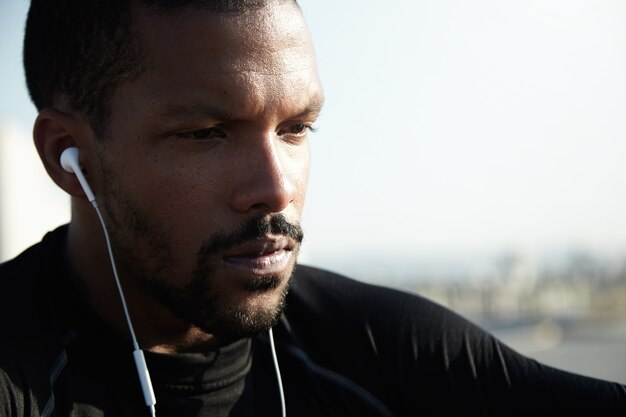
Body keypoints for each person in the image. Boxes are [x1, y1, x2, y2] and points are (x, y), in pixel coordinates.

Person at [1, 0, 625, 416]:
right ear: (68, 156)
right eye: (206, 133)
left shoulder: (373, 351)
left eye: (296, 129)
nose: (276, 190)